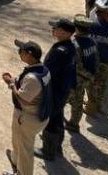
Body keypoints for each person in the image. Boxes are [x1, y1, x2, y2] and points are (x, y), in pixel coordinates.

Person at [3, 40, 52, 175]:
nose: (19, 53)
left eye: (21, 51)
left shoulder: (32, 78)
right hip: (37, 115)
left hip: (28, 117)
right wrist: (15, 80)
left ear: (29, 54)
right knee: (18, 142)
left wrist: (11, 84)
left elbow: (22, 98)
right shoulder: (43, 69)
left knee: (25, 151)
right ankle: (15, 161)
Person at [35, 19, 77, 161]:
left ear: (65, 33)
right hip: (63, 89)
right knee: (57, 117)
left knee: (51, 119)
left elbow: (49, 72)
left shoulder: (60, 51)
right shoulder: (70, 47)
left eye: (56, 28)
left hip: (55, 90)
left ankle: (48, 151)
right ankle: (57, 146)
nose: (53, 30)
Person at [85, 0, 108, 116]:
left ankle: (92, 106)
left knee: (92, 84)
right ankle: (96, 106)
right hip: (106, 62)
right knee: (102, 85)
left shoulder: (90, 26)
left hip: (92, 61)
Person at [65, 15, 100, 133]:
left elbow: (78, 67)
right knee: (77, 101)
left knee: (75, 102)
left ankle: (73, 124)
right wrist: (93, 76)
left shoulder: (75, 45)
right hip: (88, 78)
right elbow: (96, 59)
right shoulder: (92, 41)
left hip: (77, 80)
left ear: (76, 28)